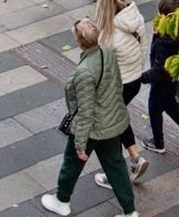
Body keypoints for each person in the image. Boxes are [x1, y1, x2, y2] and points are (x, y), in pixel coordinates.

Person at [40, 18, 137, 217]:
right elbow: (116, 84)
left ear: (79, 41)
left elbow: (85, 111)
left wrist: (80, 143)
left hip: (92, 127)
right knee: (116, 164)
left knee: (72, 164)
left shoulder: (84, 72)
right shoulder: (108, 52)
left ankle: (61, 200)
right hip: (111, 122)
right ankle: (130, 211)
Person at [91, 0, 151, 188]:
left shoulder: (108, 35)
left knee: (111, 127)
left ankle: (115, 174)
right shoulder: (136, 18)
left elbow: (101, 68)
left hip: (119, 84)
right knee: (120, 116)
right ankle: (135, 157)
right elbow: (143, 47)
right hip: (134, 79)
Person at [141, 0, 179, 155]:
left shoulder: (162, 40)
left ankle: (158, 142)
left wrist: (142, 78)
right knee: (171, 107)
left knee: (154, 109)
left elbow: (159, 68)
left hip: (162, 81)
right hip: (172, 77)